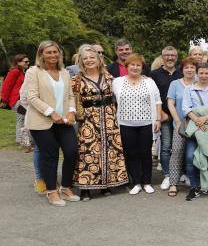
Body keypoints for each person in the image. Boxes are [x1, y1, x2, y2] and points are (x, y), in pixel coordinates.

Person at [24, 41, 80, 207]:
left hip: (63, 121)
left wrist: (71, 111)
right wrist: (51, 112)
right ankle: (51, 191)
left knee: (71, 151)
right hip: (41, 121)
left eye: (55, 52)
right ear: (41, 54)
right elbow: (32, 97)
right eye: (48, 52)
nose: (53, 55)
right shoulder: (33, 72)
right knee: (50, 155)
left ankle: (66, 187)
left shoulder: (64, 72)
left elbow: (70, 95)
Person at [71, 44, 128, 200]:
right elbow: (71, 99)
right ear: (81, 62)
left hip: (109, 118)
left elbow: (122, 93)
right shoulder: (76, 79)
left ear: (98, 59)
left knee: (109, 150)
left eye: (92, 57)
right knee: (89, 151)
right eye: (85, 58)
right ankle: (85, 188)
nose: (89, 60)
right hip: (88, 120)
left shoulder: (109, 77)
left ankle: (106, 184)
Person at [112, 54, 162, 195]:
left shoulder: (149, 82)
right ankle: (136, 182)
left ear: (142, 67)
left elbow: (158, 101)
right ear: (126, 66)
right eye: (132, 65)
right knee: (131, 153)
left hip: (146, 123)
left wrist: (158, 119)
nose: (135, 67)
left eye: (138, 65)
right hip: (125, 124)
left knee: (145, 153)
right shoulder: (117, 82)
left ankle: (147, 182)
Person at [182, 62, 208, 200]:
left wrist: (204, 118)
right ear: (197, 74)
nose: (204, 76)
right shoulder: (189, 89)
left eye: (207, 73)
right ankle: (194, 187)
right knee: (190, 157)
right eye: (201, 73)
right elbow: (186, 108)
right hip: (195, 129)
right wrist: (197, 120)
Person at [150, 46, 181, 190]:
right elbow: (151, 97)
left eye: (173, 55)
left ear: (176, 57)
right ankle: (168, 175)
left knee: (180, 147)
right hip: (164, 116)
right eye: (167, 55)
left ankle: (180, 174)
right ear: (162, 57)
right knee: (166, 147)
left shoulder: (182, 73)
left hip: (180, 117)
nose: (170, 58)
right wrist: (160, 114)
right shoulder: (154, 74)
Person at [166, 59, 197, 196]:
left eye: (192, 67)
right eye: (187, 67)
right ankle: (173, 183)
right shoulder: (175, 84)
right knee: (177, 152)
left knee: (195, 154)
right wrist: (177, 120)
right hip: (180, 125)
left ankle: (196, 182)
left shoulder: (199, 83)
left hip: (197, 124)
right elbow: (170, 103)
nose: (189, 70)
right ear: (182, 69)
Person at [2, 54, 32, 150]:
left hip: (21, 100)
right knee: (22, 119)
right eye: (25, 62)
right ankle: (21, 140)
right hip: (16, 100)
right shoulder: (14, 72)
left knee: (22, 119)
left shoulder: (23, 72)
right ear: (18, 62)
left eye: (28, 61)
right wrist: (4, 100)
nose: (28, 63)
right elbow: (6, 86)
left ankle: (21, 139)